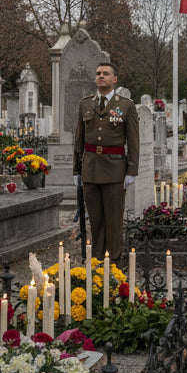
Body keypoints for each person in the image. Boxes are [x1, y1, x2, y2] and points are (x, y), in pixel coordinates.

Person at [74, 62, 139, 262]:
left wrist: (131, 171)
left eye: (105, 73)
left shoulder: (125, 105)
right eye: (98, 73)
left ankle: (115, 264)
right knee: (95, 219)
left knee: (113, 220)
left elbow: (133, 140)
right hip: (90, 169)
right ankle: (97, 261)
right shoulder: (85, 104)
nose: (101, 76)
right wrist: (76, 170)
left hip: (115, 169)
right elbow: (79, 139)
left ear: (114, 79)